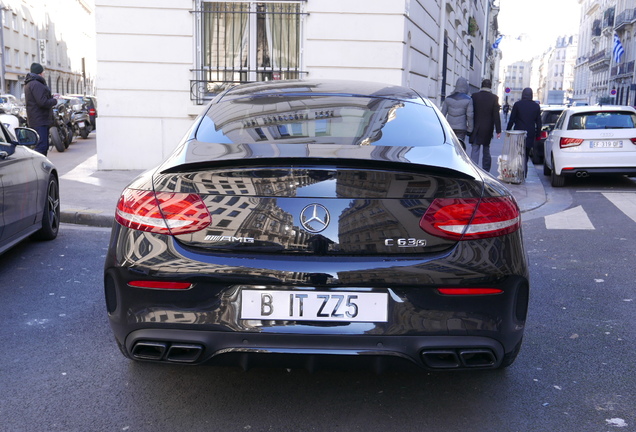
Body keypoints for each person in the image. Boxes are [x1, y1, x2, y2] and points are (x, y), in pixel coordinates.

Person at [506, 87, 541, 178]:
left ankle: (518, 171)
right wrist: (538, 135)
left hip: (518, 133)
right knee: (526, 154)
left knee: (518, 153)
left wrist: (508, 130)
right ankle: (524, 173)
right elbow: (539, 122)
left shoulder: (517, 105)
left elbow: (512, 119)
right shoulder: (536, 106)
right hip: (530, 133)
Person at [24, 62, 57, 155]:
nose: (44, 74)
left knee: (42, 146)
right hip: (40, 120)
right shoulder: (36, 84)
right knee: (42, 147)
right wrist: (54, 101)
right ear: (40, 73)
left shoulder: (30, 83)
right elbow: (43, 102)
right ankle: (39, 167)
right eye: (43, 72)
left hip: (37, 119)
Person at [470, 79, 501, 172]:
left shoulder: (474, 96)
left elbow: (470, 112)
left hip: (476, 127)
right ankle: (485, 170)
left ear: (481, 86)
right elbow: (496, 115)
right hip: (488, 128)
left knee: (475, 149)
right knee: (486, 149)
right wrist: (498, 130)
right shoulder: (494, 98)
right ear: (490, 87)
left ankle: (473, 169)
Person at [440, 77, 473, 146]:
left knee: (450, 145)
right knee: (460, 146)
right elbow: (470, 115)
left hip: (450, 127)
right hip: (461, 128)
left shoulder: (448, 99)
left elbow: (442, 114)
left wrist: (442, 127)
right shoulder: (468, 99)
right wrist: (470, 129)